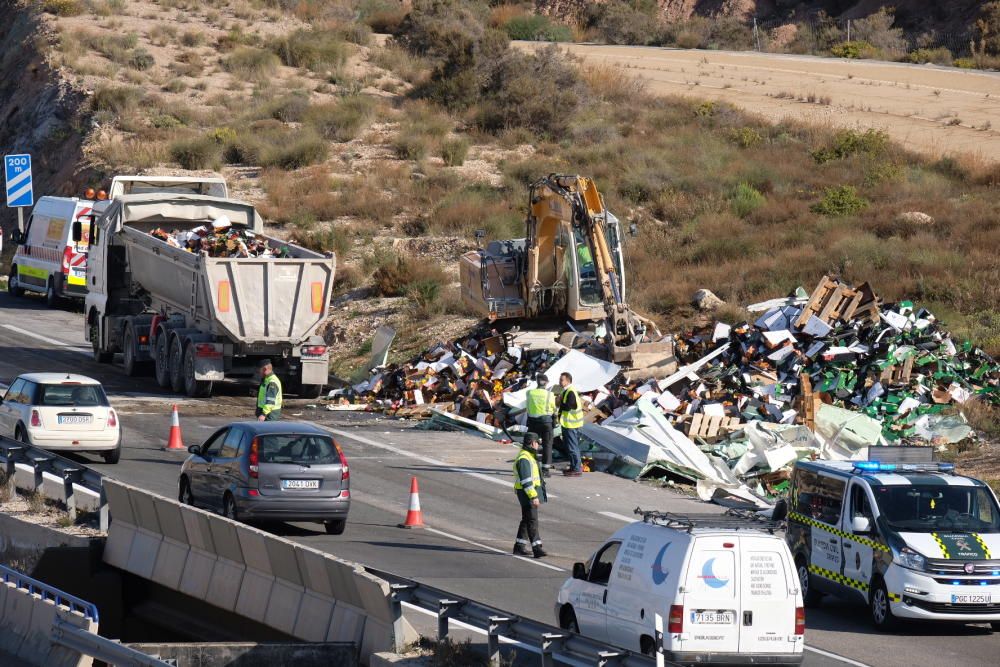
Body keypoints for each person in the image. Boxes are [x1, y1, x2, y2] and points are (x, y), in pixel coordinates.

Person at [513, 433, 547, 558]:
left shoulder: (529, 456)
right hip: (527, 492)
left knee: (527, 519)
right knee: (532, 520)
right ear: (533, 443)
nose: (538, 445)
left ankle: (519, 546)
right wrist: (533, 496)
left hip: (528, 491)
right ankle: (537, 548)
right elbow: (526, 481)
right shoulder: (524, 458)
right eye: (537, 443)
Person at [525, 373, 557, 477]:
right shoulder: (550, 394)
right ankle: (545, 470)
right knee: (547, 445)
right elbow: (554, 409)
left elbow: (527, 407)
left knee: (530, 444)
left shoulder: (529, 393)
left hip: (533, 422)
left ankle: (528, 467)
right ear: (546, 383)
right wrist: (555, 420)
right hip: (546, 422)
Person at [557, 372, 583, 477]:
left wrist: (560, 402)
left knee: (573, 447)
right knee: (570, 447)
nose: (560, 381)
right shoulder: (566, 391)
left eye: (561, 380)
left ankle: (576, 469)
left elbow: (570, 406)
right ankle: (573, 467)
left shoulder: (570, 391)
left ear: (568, 381)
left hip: (571, 424)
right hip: (568, 423)